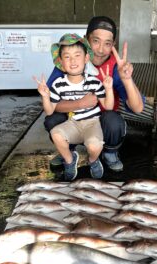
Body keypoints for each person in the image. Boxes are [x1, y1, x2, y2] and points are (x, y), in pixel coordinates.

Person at [45, 16, 144, 172]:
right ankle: (68, 152)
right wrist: (80, 104)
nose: (100, 49)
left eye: (107, 44)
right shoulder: (70, 62)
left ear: (113, 46)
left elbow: (138, 108)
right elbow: (50, 103)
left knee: (114, 121)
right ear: (85, 40)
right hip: (73, 120)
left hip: (101, 123)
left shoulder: (115, 67)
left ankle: (110, 153)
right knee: (52, 120)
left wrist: (126, 78)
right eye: (96, 41)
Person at [35, 33, 114, 181]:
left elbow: (108, 106)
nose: (72, 61)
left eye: (77, 55)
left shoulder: (94, 82)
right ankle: (70, 160)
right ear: (60, 62)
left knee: (95, 146)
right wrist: (45, 97)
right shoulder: (58, 84)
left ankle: (93, 160)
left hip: (92, 124)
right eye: (67, 56)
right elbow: (49, 111)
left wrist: (108, 88)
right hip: (72, 123)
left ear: (86, 58)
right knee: (55, 133)